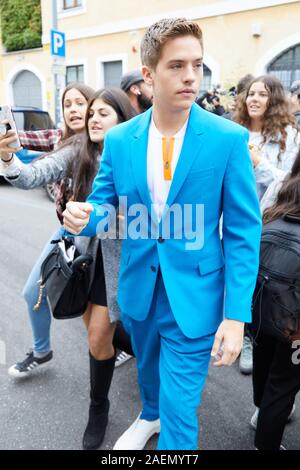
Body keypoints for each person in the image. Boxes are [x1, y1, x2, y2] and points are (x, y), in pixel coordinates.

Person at [63, 18, 262, 450]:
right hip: (140, 289)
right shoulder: (119, 139)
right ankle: (147, 414)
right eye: (177, 66)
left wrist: (236, 315)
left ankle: (164, 426)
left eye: (197, 64)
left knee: (180, 413)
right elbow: (107, 210)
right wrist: (84, 216)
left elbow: (245, 231)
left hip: (196, 293)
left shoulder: (227, 139)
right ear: (149, 75)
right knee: (149, 372)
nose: (191, 76)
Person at [0, 87, 136, 450]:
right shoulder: (79, 150)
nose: (90, 117)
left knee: (98, 336)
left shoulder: (138, 154)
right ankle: (115, 350)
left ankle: (99, 406)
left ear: (124, 119)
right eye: (86, 111)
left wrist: (110, 219)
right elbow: (31, 176)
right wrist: (9, 158)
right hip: (79, 254)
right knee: (78, 317)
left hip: (119, 258)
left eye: (101, 112)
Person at [233, 75, 300, 375]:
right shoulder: (234, 133)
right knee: (237, 278)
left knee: (261, 283)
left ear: (274, 100)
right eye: (250, 94)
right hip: (234, 218)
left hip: (269, 224)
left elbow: (289, 183)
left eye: (262, 94)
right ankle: (238, 330)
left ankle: (252, 336)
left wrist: (260, 163)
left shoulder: (289, 136)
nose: (254, 99)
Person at [249, 148, 300, 450]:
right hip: (296, 322)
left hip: (264, 300)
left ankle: (260, 410)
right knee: (284, 383)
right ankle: (266, 441)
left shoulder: (282, 186)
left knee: (263, 358)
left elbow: (256, 229)